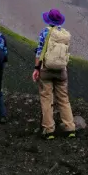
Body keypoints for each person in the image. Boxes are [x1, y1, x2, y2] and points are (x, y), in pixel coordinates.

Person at [32, 8, 76, 140]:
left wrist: (36, 69)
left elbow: (39, 51)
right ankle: (70, 127)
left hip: (46, 70)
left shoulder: (45, 32)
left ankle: (49, 129)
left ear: (48, 19)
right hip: (61, 71)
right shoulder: (65, 35)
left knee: (46, 99)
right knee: (63, 99)